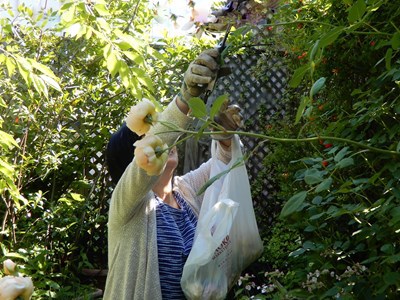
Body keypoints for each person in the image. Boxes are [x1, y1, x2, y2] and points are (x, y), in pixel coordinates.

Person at [103, 48, 242, 300]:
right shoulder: (127, 206)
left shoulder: (185, 191)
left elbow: (223, 164)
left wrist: (224, 138)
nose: (167, 142)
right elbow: (155, 146)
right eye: (153, 136)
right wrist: (186, 97)